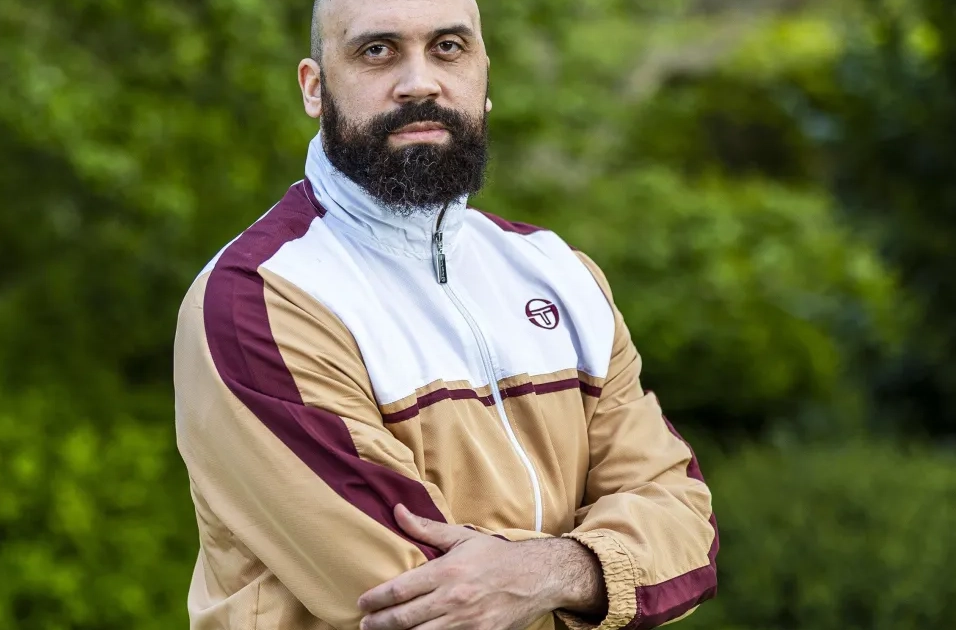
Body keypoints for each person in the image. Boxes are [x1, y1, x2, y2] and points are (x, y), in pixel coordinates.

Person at [173, 0, 718, 628]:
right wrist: (598, 570)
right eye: (377, 51)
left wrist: (549, 572)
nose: (420, 82)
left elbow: (685, 527)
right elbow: (416, 599)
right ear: (314, 88)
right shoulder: (263, 299)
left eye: (448, 48)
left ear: (484, 75)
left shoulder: (560, 273)